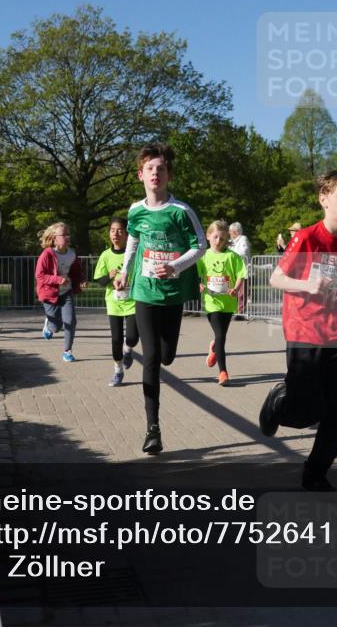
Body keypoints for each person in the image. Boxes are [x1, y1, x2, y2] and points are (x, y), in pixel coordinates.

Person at [258, 170, 337, 492]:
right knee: (305, 410)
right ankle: (279, 401)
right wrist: (305, 283)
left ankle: (315, 472)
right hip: (303, 329)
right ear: (324, 199)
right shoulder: (306, 237)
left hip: (335, 332)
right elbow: (275, 279)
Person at [115, 143, 206, 455]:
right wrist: (125, 270)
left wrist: (176, 266)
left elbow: (201, 246)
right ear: (141, 175)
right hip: (144, 290)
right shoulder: (135, 210)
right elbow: (134, 240)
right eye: (150, 168)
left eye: (161, 168)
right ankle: (152, 429)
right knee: (152, 358)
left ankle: (155, 344)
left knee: (167, 356)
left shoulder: (181, 211)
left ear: (169, 175)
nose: (156, 173)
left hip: (173, 293)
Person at [198, 219, 248, 385]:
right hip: (211, 301)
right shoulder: (203, 256)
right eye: (216, 237)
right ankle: (223, 372)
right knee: (220, 335)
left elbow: (241, 274)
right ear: (208, 236)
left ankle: (214, 348)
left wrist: (236, 288)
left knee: (221, 336)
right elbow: (196, 274)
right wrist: (198, 284)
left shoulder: (232, 256)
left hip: (228, 302)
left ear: (227, 239)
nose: (219, 241)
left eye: (223, 238)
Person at [93, 217, 139, 387]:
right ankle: (118, 371)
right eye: (113, 230)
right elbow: (99, 280)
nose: (116, 234)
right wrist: (109, 278)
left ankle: (128, 350)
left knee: (133, 337)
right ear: (109, 234)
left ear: (127, 234)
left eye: (120, 230)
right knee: (116, 339)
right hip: (114, 303)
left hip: (133, 301)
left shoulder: (134, 254)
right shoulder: (106, 255)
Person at [35, 222, 84, 363]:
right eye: (63, 235)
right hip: (49, 294)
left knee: (71, 321)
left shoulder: (71, 255)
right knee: (56, 327)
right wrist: (57, 279)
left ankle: (67, 351)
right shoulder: (47, 254)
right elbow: (39, 276)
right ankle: (49, 325)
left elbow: (77, 271)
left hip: (66, 292)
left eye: (68, 234)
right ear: (54, 238)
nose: (67, 237)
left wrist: (82, 279)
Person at [228, 222, 252, 315]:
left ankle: (241, 312)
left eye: (231, 231)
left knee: (241, 292)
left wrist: (231, 254)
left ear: (235, 231)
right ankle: (234, 310)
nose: (229, 233)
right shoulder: (231, 241)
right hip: (233, 270)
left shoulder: (243, 239)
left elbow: (244, 251)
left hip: (243, 270)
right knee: (233, 290)